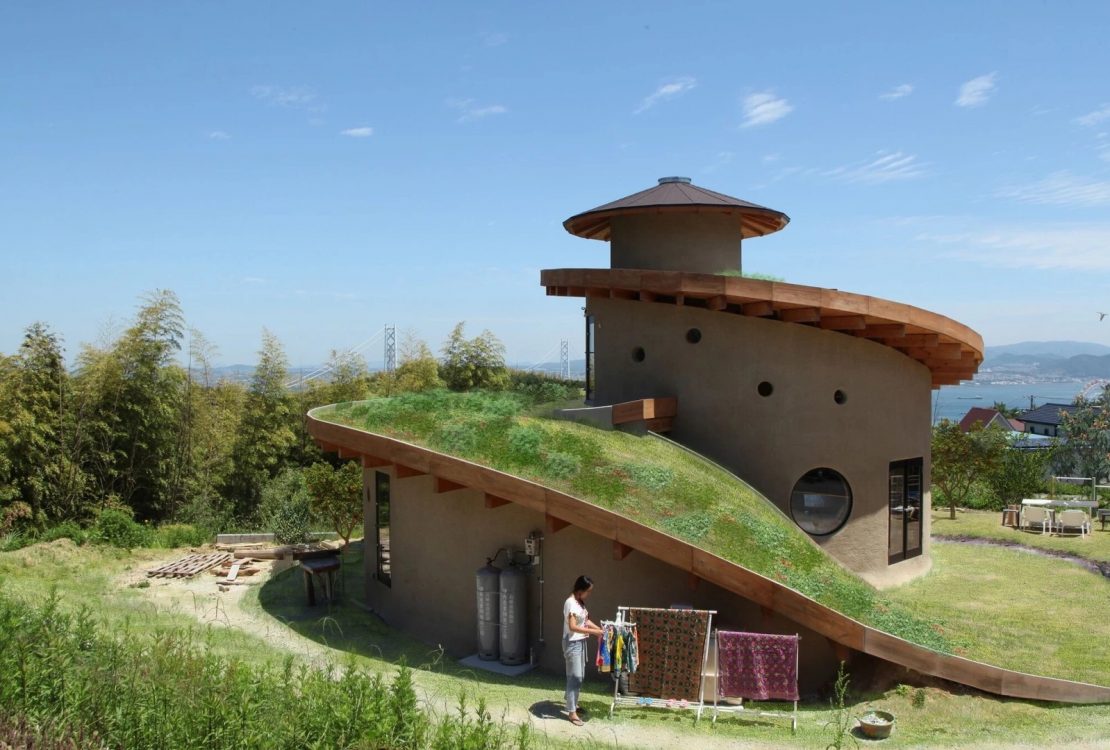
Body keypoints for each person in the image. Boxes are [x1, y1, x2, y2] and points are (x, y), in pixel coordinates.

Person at [563, 574, 602, 726]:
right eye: (588, 591)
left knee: (579, 675)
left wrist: (600, 629)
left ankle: (571, 702)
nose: (589, 594)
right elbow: (573, 626)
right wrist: (595, 632)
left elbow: (585, 621)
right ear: (581, 589)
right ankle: (572, 712)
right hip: (572, 643)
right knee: (575, 677)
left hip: (580, 642)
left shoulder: (579, 603)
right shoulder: (570, 603)